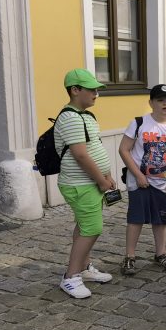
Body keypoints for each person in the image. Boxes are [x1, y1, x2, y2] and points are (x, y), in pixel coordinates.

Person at [55, 69, 116, 299]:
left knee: (83, 226)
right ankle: (70, 277)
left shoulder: (85, 116)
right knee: (92, 228)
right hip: (80, 184)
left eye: (97, 89)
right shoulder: (70, 117)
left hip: (90, 183)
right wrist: (101, 180)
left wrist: (107, 175)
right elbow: (80, 155)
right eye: (91, 89)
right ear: (75, 90)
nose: (96, 94)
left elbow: (94, 149)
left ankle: (83, 267)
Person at [118, 84, 166, 275]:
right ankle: (130, 256)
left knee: (161, 220)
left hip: (165, 183)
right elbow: (124, 149)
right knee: (136, 219)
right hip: (140, 182)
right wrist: (138, 175)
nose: (165, 104)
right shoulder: (139, 123)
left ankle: (161, 253)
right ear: (151, 103)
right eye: (160, 100)